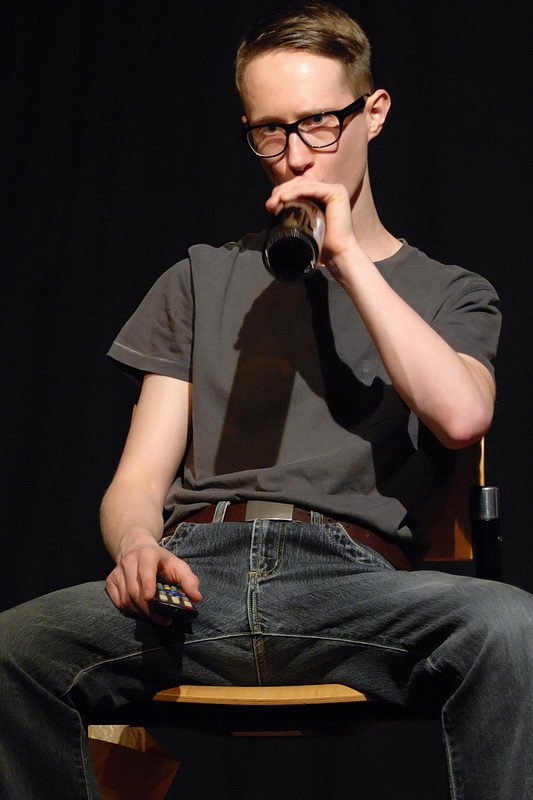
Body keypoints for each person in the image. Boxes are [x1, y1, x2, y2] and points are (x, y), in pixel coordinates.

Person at [1, 3, 532, 799]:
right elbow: (136, 482)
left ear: (372, 113)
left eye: (318, 123)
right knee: (14, 649)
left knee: (511, 628)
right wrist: (138, 546)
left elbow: (461, 417)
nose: (294, 156)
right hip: (196, 583)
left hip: (350, 586)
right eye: (269, 132)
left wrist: (346, 257)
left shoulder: (451, 292)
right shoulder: (198, 278)